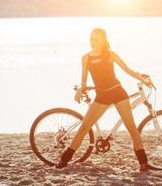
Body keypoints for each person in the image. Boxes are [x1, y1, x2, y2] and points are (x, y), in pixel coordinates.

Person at [55, 28, 153, 171]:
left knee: (131, 128)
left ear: (103, 40)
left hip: (118, 93)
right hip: (101, 97)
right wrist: (80, 91)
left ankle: (143, 163)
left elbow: (128, 70)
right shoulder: (86, 58)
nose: (92, 42)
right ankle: (64, 160)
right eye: (91, 39)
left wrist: (143, 81)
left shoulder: (110, 55)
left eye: (96, 39)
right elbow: (83, 81)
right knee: (83, 128)